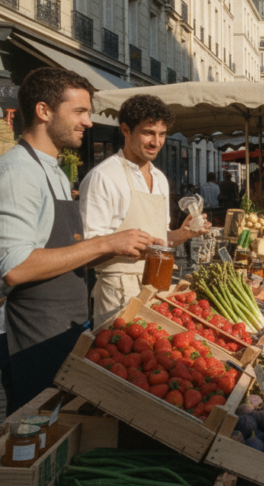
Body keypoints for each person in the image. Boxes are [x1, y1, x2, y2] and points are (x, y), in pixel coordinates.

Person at [0, 68, 157, 412]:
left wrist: (120, 247)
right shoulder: (18, 173)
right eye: (79, 112)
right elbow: (14, 267)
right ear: (44, 111)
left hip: (61, 325)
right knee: (35, 436)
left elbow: (59, 250)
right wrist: (105, 243)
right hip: (29, 335)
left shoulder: (53, 170)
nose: (88, 121)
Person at [80, 94, 210, 324]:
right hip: (119, 291)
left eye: (161, 134)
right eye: (148, 132)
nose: (156, 142)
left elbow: (161, 241)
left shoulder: (159, 178)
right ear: (126, 130)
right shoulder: (104, 176)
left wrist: (184, 233)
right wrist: (122, 246)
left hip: (157, 287)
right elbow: (86, 252)